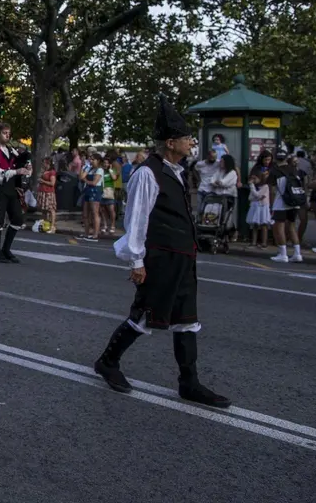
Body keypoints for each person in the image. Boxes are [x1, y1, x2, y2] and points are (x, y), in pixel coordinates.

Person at [93, 95, 230, 408]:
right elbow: (136, 221)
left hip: (182, 258)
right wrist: (137, 261)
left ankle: (189, 382)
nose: (192, 142)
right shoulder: (147, 173)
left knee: (186, 320)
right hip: (160, 258)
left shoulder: (177, 171)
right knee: (144, 315)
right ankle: (108, 362)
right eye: (186, 138)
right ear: (171, 142)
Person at [0, 123, 30, 262]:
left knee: (18, 218)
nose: (7, 135)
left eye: (8, 133)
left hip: (11, 188)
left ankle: (6, 249)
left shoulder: (12, 151)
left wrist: (25, 167)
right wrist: (15, 171)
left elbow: (19, 165)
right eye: (4, 133)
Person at [270, 155, 305, 263]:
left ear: (275, 159)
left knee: (279, 227)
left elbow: (272, 189)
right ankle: (297, 253)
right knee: (292, 226)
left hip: (281, 203)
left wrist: (271, 205)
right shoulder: (294, 170)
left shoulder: (275, 171)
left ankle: (283, 254)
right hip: (294, 202)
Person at [246, 172, 271, 248]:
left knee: (264, 225)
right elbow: (250, 198)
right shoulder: (255, 187)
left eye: (255, 178)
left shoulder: (265, 186)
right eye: (252, 178)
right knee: (255, 225)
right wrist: (256, 197)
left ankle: (264, 243)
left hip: (262, 207)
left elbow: (258, 195)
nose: (253, 180)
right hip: (255, 206)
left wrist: (251, 185)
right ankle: (254, 242)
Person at [37, 156, 58, 234]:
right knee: (44, 210)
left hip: (49, 192)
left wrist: (43, 181)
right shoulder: (44, 171)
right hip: (43, 191)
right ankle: (45, 225)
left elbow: (52, 183)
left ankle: (53, 226)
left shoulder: (52, 172)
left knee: (51, 209)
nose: (43, 164)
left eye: (44, 162)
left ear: (47, 163)